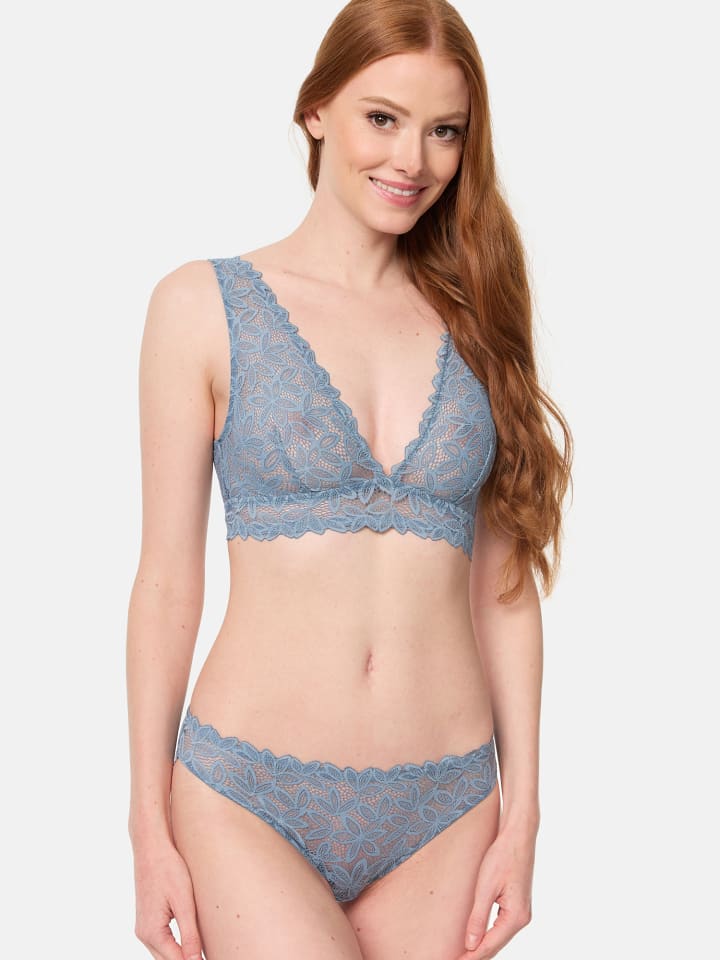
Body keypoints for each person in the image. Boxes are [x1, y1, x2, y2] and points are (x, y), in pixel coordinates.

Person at [126, 1, 573, 958]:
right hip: (248, 797)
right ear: (317, 109)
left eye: (444, 130)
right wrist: (146, 827)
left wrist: (525, 817)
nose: (412, 159)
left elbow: (506, 586)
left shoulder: (479, 322)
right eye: (383, 118)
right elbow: (166, 581)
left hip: (447, 808)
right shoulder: (202, 307)